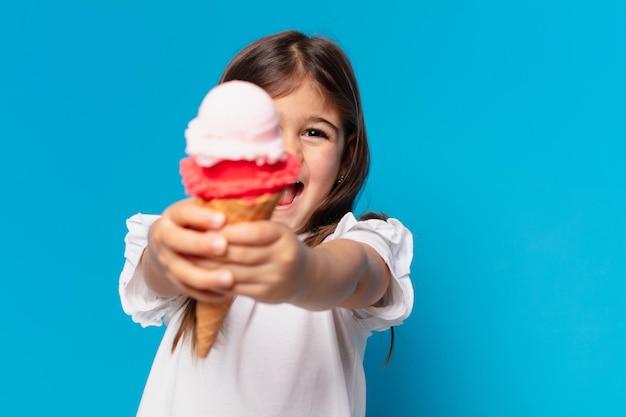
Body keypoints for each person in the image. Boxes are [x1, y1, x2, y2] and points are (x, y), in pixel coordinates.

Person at [119, 30, 414, 417]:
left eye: (314, 132)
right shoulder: (199, 236)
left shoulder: (365, 240)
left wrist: (302, 272)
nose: (286, 151)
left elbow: (353, 272)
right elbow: (157, 267)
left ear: (346, 155)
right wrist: (169, 246)